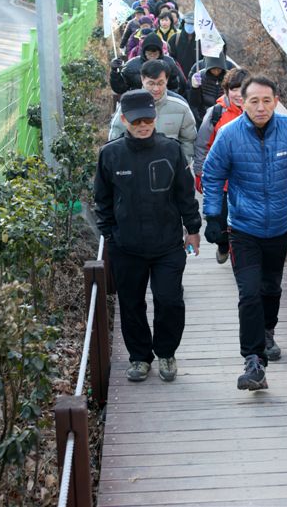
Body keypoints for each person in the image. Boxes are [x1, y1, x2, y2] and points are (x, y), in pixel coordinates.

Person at [202, 75, 287, 392]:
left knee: (270, 286)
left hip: (279, 226)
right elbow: (212, 175)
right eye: (254, 101)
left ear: (276, 101)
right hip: (243, 228)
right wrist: (212, 215)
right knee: (249, 292)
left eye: (267, 100)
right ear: (242, 102)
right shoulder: (228, 135)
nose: (260, 107)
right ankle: (253, 361)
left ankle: (267, 330)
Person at [94, 89, 202, 383]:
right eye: (136, 121)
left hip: (168, 243)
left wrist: (193, 229)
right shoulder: (110, 154)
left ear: (155, 118)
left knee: (169, 300)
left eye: (148, 120)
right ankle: (140, 357)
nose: (143, 126)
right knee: (131, 303)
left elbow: (185, 193)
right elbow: (101, 200)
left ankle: (166, 352)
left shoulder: (170, 149)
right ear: (125, 120)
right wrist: (111, 233)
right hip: (126, 246)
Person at [194, 67, 250, 263]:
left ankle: (240, 258)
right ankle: (223, 245)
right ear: (226, 90)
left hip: (248, 181)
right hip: (222, 182)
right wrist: (199, 173)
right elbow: (202, 145)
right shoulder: (216, 113)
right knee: (222, 224)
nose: (238, 94)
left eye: (243, 89)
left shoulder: (258, 112)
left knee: (242, 226)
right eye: (233, 89)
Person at [109, 60, 197, 162]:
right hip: (135, 165)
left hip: (169, 167)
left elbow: (188, 140)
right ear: (142, 79)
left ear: (167, 80)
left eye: (160, 83)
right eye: (151, 83)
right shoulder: (129, 105)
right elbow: (115, 138)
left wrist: (184, 165)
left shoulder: (180, 107)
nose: (156, 89)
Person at [110, 32, 187, 96]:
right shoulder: (131, 66)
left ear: (160, 53)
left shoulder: (169, 63)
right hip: (138, 103)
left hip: (164, 102)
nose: (152, 57)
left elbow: (179, 85)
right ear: (144, 52)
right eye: (149, 54)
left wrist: (169, 97)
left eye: (155, 54)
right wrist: (115, 72)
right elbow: (120, 89)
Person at [188, 52, 229, 127]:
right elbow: (194, 103)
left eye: (219, 69)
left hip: (225, 118)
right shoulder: (200, 76)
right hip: (204, 117)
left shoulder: (229, 77)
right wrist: (195, 88)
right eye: (213, 69)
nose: (216, 72)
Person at [168, 12, 200, 77]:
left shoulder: (201, 41)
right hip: (178, 75)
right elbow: (170, 58)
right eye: (188, 23)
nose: (190, 26)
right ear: (183, 23)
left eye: (192, 24)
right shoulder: (175, 39)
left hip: (196, 76)